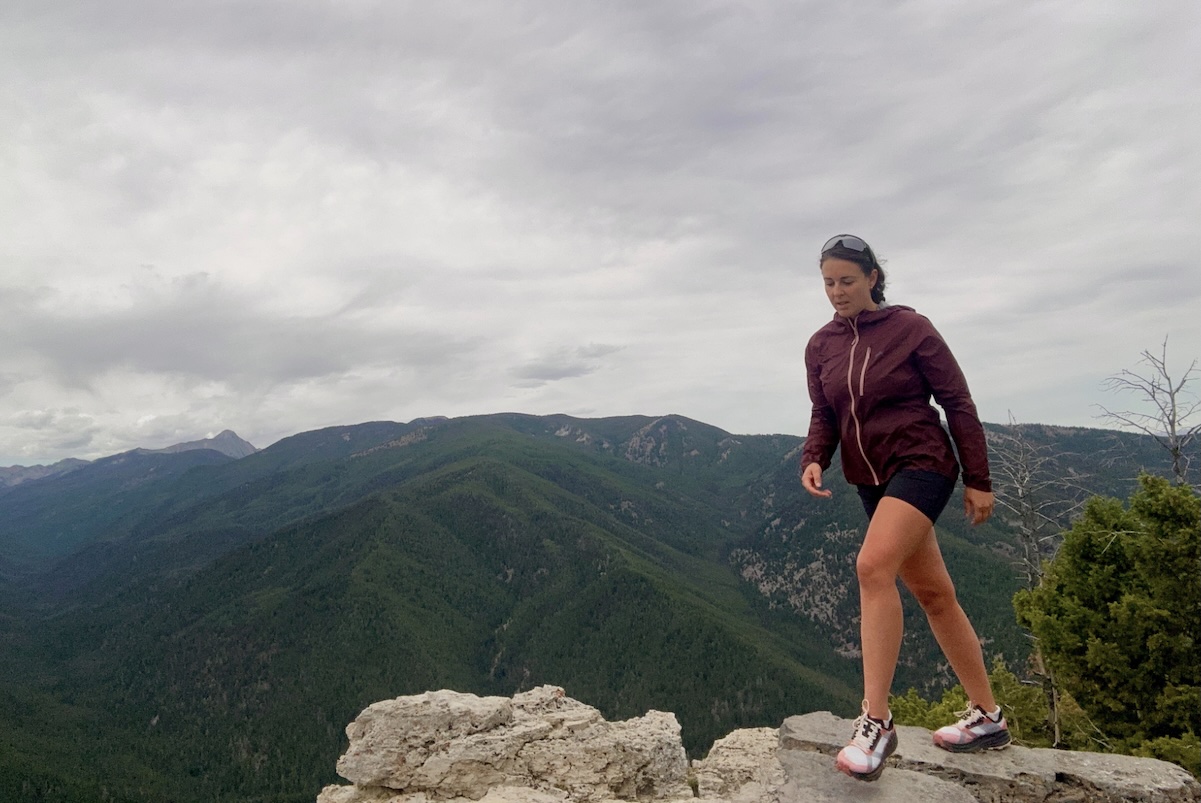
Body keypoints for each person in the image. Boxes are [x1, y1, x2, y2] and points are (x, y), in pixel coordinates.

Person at [799, 234, 1011, 782]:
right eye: (828, 282)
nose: (837, 292)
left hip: (922, 463)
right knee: (934, 593)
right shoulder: (821, 345)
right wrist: (814, 456)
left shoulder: (911, 329)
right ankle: (988, 716)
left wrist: (978, 479)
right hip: (869, 477)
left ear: (872, 278)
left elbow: (958, 402)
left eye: (847, 280)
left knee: (872, 568)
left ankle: (876, 723)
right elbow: (824, 412)